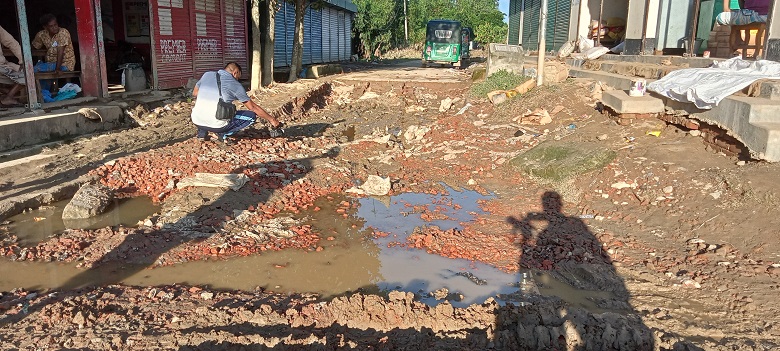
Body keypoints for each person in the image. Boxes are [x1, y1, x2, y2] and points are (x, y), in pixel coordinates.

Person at [191, 62, 284, 142]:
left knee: (204, 105)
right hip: (217, 125)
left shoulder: (207, 75)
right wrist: (273, 120)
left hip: (196, 120)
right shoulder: (235, 85)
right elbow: (253, 107)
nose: (237, 80)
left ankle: (201, 134)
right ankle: (222, 134)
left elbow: (195, 93)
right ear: (235, 73)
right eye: (238, 77)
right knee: (251, 116)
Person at [0, 25, 26, 106]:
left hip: (1, 66)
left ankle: (8, 96)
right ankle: (6, 92)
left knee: (27, 75)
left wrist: (22, 61)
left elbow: (11, 43)